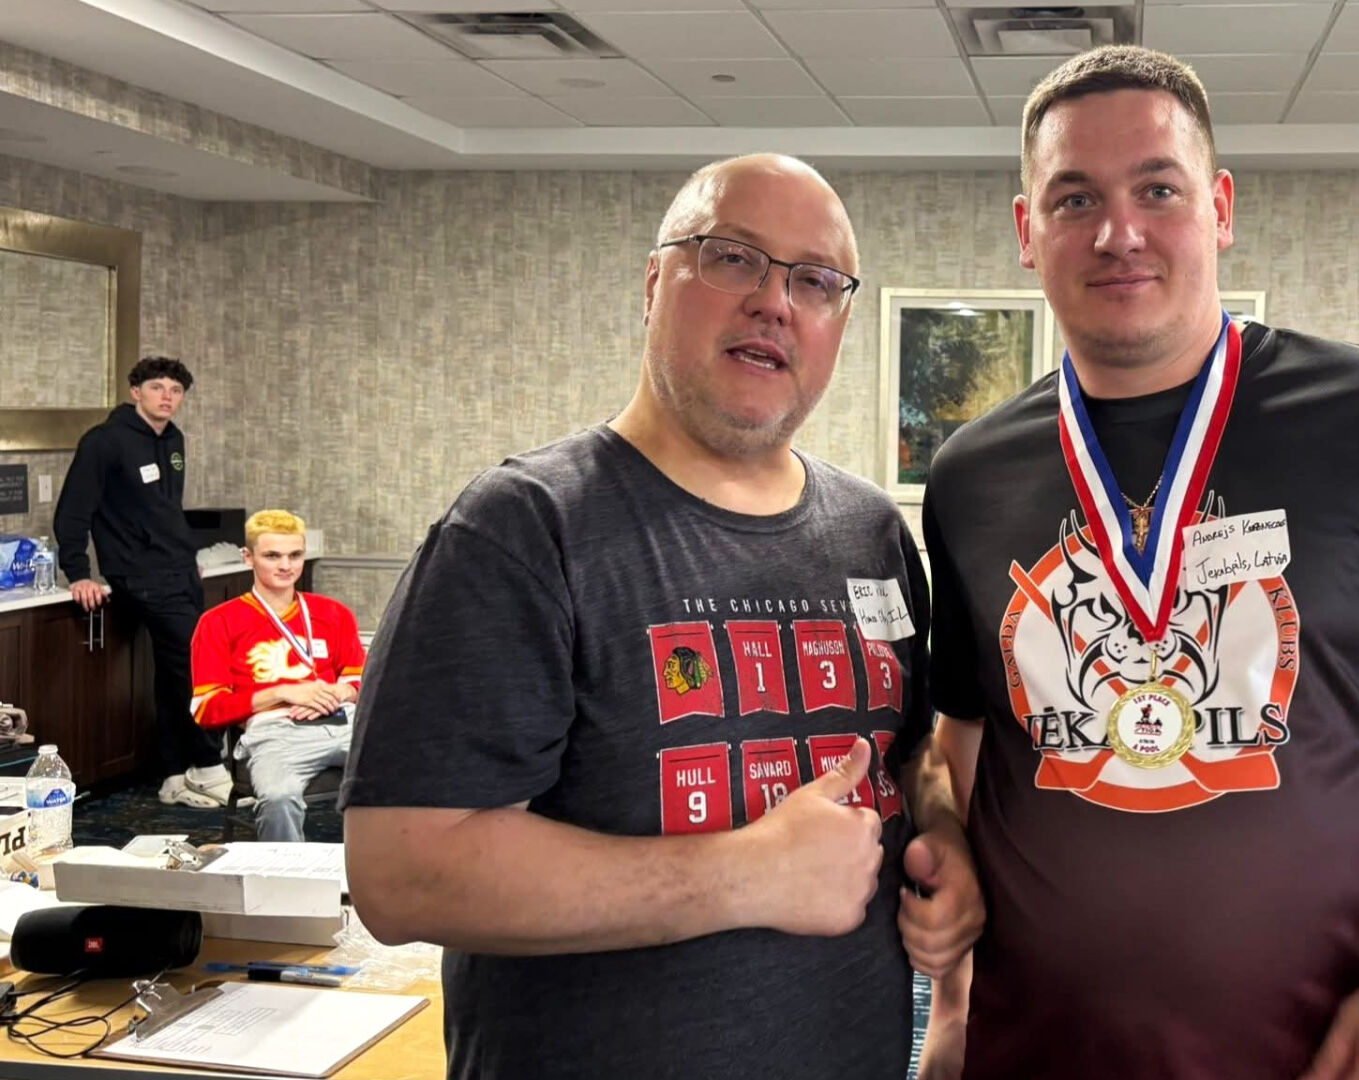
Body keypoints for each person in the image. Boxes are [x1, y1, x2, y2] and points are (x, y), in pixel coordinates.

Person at [919, 46, 1359, 1079]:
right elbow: (970, 744)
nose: (1118, 232)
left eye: (1158, 188)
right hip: (1037, 1050)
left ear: (1221, 208)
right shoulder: (972, 475)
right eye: (1075, 198)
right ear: (1028, 231)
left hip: (1327, 1055)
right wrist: (953, 1008)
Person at [340, 154, 980, 1080]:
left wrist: (942, 831)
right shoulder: (523, 529)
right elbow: (401, 873)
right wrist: (743, 876)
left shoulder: (872, 531)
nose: (774, 302)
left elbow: (908, 748)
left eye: (814, 280)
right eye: (733, 258)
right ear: (653, 284)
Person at [54, 355, 230, 808]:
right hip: (139, 575)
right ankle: (208, 766)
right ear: (136, 391)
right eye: (157, 387)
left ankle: (174, 775)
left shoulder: (174, 440)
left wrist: (188, 556)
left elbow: (165, 511)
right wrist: (78, 573)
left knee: (175, 673)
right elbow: (73, 511)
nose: (167, 397)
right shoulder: (104, 442)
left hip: (179, 571)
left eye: (176, 390)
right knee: (196, 662)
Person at [189, 511, 365, 841]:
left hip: (344, 721)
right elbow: (206, 709)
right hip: (276, 732)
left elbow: (362, 681)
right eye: (272, 556)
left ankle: (398, 871)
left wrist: (338, 692)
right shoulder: (218, 622)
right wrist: (282, 692)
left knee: (414, 771)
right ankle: (285, 872)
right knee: (278, 798)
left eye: (294, 555)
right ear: (248, 557)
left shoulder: (333, 613)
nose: (286, 566)